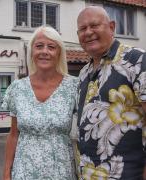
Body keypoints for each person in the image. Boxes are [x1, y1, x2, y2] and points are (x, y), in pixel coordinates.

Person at [76, 5, 146, 179]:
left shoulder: (137, 59)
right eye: (82, 29)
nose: (88, 32)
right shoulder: (84, 72)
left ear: (112, 27)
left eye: (94, 25)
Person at [2, 26, 78, 180]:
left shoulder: (74, 87)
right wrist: (6, 172)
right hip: (24, 172)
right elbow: (13, 135)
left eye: (51, 47)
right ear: (32, 51)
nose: (45, 51)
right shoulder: (17, 88)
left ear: (59, 53)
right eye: (39, 46)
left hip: (61, 172)